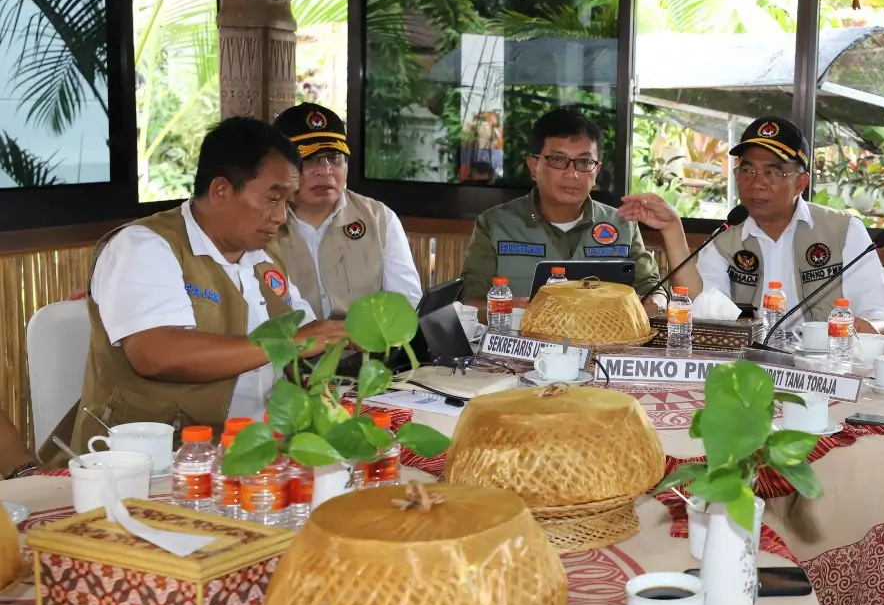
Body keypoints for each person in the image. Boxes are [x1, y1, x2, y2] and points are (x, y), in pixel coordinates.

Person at [49, 118, 343, 459]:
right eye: (272, 199)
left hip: (256, 451)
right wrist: (289, 343)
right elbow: (156, 354)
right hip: (149, 465)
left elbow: (305, 334)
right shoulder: (146, 246)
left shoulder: (263, 255)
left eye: (287, 202)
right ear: (220, 190)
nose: (281, 217)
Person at [671, 116, 884, 338]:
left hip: (822, 366)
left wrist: (873, 326)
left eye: (771, 172)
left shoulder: (843, 230)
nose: (757, 183)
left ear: (800, 183)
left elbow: (883, 312)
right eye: (747, 170)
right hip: (747, 366)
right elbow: (705, 306)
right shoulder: (723, 240)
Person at [459, 107, 691, 313]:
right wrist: (514, 310)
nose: (572, 174)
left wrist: (656, 304)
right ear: (533, 166)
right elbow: (470, 302)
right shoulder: (495, 224)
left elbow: (654, 290)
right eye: (558, 160)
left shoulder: (622, 223)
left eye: (583, 162)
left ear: (596, 170)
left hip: (604, 349)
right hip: (520, 352)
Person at [270, 103, 422, 319]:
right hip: (289, 349)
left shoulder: (379, 218)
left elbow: (407, 305)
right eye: (309, 160)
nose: (325, 171)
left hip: (369, 348)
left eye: (334, 158)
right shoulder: (263, 224)